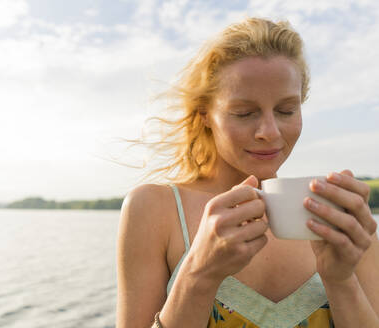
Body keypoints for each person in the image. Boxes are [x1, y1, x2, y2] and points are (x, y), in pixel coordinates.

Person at [115, 17, 379, 328]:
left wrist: (340, 280)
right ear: (205, 115)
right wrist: (200, 273)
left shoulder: (341, 216)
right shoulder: (154, 209)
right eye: (244, 113)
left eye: (286, 110)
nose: (269, 131)